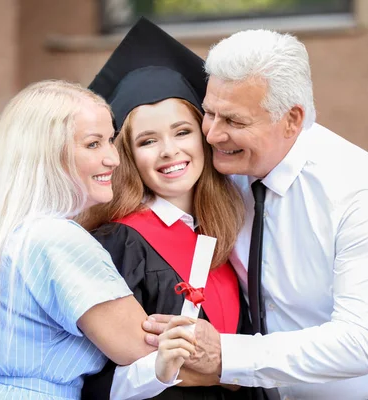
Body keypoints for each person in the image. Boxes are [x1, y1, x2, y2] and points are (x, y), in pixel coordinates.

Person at [143, 29, 368, 400]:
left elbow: (358, 343)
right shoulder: (224, 172)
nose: (213, 134)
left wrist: (225, 353)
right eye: (209, 113)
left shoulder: (360, 191)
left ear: (292, 120)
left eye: (233, 121)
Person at [0, 80, 197, 399]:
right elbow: (142, 348)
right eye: (93, 144)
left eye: (111, 141)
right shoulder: (58, 240)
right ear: (48, 153)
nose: (113, 159)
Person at [78, 18, 255, 400]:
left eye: (182, 131)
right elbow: (93, 380)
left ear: (204, 138)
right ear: (128, 156)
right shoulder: (118, 244)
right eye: (147, 141)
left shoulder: (227, 232)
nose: (169, 151)